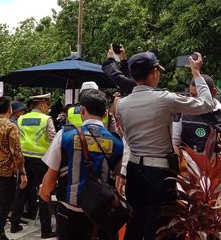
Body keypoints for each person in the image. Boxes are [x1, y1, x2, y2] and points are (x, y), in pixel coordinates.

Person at [116, 52, 214, 240]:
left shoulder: (121, 104)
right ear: (154, 72)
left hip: (135, 171)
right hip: (159, 174)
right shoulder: (165, 99)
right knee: (161, 228)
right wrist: (196, 72)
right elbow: (207, 104)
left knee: (135, 224)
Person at [39, 89, 124, 240]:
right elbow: (117, 181)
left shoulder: (65, 135)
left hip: (70, 211)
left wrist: (44, 193)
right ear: (105, 114)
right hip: (102, 214)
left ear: (82, 111)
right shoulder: (117, 142)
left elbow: (51, 175)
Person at [10, 93, 56, 238]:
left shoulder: (21, 118)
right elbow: (53, 140)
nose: (48, 108)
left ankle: (14, 225)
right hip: (42, 160)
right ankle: (46, 230)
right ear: (42, 105)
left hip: (24, 160)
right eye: (47, 105)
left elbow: (17, 138)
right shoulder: (46, 119)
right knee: (44, 192)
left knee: (21, 189)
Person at [0, 96, 27, 240]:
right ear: (10, 109)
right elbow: (16, 151)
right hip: (7, 171)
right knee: (4, 207)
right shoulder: (11, 126)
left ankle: (1, 235)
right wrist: (22, 172)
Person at [172, 74, 221, 158]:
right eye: (192, 94)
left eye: (198, 95)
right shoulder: (182, 113)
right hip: (189, 168)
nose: (194, 99)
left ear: (213, 92)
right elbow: (174, 143)